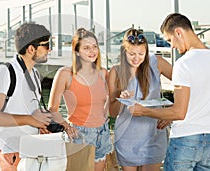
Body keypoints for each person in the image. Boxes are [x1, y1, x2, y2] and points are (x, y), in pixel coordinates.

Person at [129, 13, 210, 171]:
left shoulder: (184, 64)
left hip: (185, 141)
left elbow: (179, 113)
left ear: (178, 32)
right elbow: (197, 99)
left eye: (169, 40)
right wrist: (168, 113)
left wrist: (143, 111)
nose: (172, 46)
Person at [0, 22, 53, 171]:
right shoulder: (4, 72)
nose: (50, 49)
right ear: (31, 49)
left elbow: (27, 112)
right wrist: (32, 120)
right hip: (10, 152)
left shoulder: (34, 74)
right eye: (46, 45)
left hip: (30, 151)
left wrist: (39, 125)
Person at [48, 28, 113, 171]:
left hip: (102, 132)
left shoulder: (103, 73)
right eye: (86, 47)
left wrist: (105, 115)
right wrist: (67, 126)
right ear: (76, 51)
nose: (92, 51)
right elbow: (53, 109)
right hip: (79, 134)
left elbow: (111, 98)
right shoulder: (65, 74)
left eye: (95, 46)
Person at [108, 28, 172, 171]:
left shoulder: (158, 63)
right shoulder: (115, 72)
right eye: (132, 54)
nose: (136, 58)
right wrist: (121, 100)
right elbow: (112, 112)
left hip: (154, 136)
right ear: (124, 51)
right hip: (127, 138)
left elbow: (185, 85)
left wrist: (172, 113)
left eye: (141, 54)